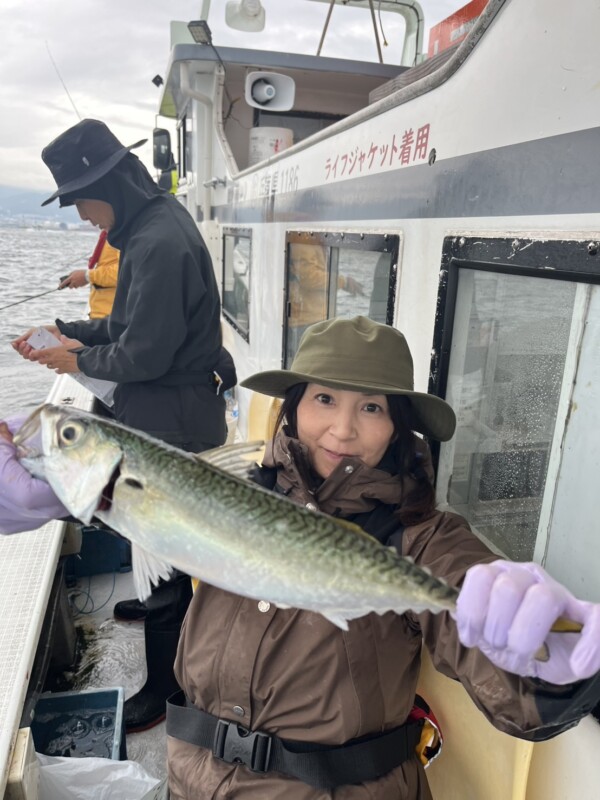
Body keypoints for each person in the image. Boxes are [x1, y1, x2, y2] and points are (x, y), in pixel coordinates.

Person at [161, 316, 600, 800]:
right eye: (324, 398)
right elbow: (148, 521)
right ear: (294, 407)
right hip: (189, 777)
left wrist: (547, 666)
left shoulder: (421, 538)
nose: (343, 430)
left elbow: (469, 595)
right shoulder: (233, 492)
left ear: (395, 429)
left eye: (371, 407)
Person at [11, 118, 234, 734]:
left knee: (161, 543)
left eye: (80, 198)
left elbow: (146, 356)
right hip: (160, 410)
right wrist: (72, 332)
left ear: (109, 183)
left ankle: (164, 691)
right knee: (145, 536)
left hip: (170, 419)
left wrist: (72, 361)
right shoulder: (146, 228)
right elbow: (130, 326)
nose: (81, 214)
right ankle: (158, 598)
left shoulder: (156, 242)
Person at [286, 242, 364, 362]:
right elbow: (308, 277)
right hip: (306, 318)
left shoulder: (314, 241)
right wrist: (343, 282)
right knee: (308, 366)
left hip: (314, 316)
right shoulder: (305, 242)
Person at [59, 229, 120, 319]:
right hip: (99, 316)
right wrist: (86, 276)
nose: (84, 218)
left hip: (112, 318)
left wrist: (88, 276)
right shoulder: (110, 232)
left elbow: (125, 271)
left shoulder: (124, 234)